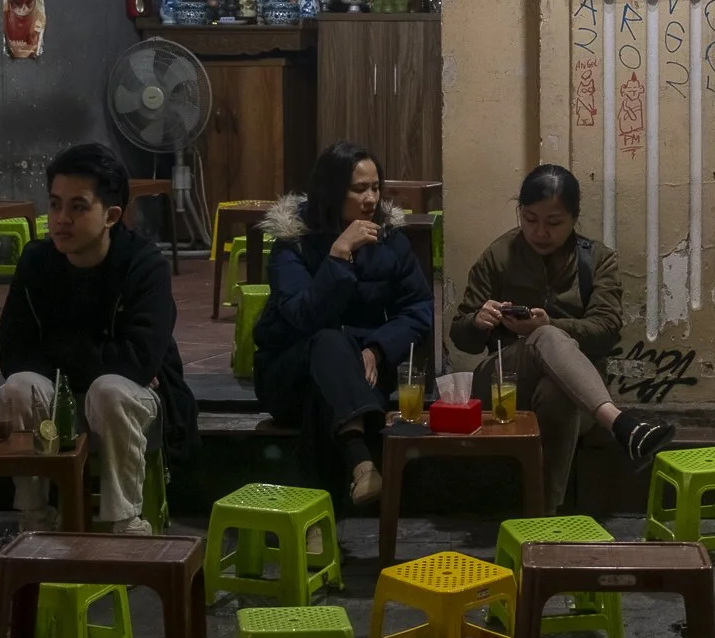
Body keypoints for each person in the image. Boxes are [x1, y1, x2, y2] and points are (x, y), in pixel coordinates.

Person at [0, 143, 194, 536]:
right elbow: (12, 354)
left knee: (110, 390)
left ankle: (125, 521)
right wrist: (96, 355)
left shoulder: (144, 264)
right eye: (54, 205)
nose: (61, 219)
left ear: (111, 215)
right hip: (62, 393)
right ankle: (33, 520)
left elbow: (138, 361)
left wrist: (56, 350)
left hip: (130, 402)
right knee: (17, 388)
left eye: (78, 207)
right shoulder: (36, 262)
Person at [449, 164, 673, 506]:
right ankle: (621, 424)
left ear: (574, 218)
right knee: (545, 338)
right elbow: (461, 337)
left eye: (554, 223)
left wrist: (550, 324)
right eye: (529, 219)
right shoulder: (499, 254)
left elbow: (606, 331)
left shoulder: (598, 260)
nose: (540, 232)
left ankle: (542, 518)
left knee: (556, 385)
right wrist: (478, 320)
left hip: (577, 396)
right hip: (502, 383)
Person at [253, 141, 433, 506]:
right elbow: (301, 316)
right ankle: (362, 461)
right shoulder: (294, 244)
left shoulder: (390, 242)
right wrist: (338, 256)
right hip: (290, 371)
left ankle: (317, 518)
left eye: (376, 187)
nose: (371, 198)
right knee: (327, 342)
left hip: (360, 378)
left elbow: (418, 309)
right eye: (359, 188)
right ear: (332, 191)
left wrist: (377, 348)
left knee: (323, 400)